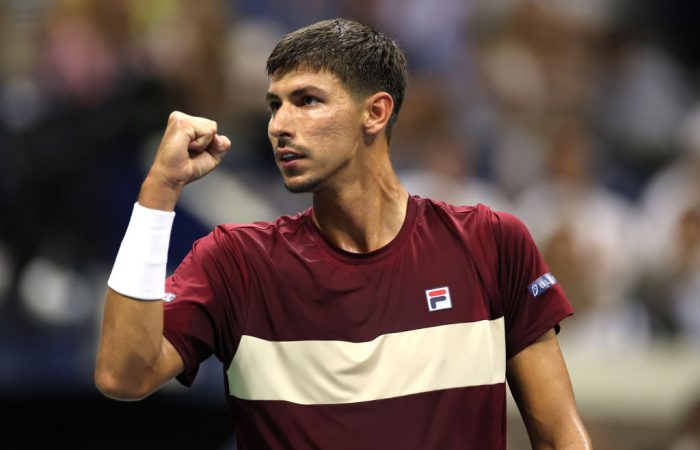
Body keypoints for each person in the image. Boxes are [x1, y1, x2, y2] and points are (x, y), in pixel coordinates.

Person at [95, 18, 592, 449]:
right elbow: (123, 375)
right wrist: (159, 189)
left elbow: (559, 436)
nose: (279, 126)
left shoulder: (491, 242)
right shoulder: (236, 262)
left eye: (306, 101)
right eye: (274, 105)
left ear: (375, 112)